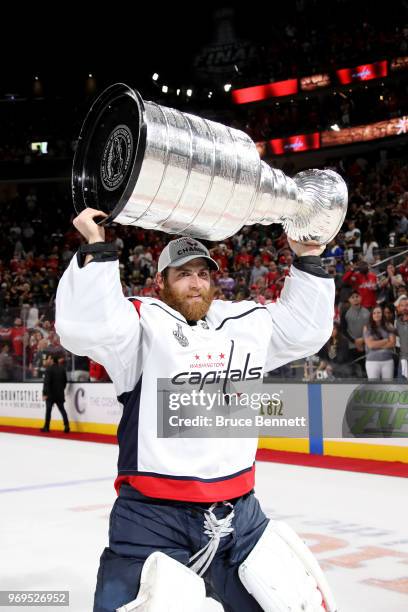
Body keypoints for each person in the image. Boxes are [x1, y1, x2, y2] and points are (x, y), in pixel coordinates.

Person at [55, 208, 335, 612]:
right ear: (161, 282)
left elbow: (304, 329)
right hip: (152, 519)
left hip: (241, 515)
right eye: (183, 273)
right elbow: (86, 326)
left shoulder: (241, 323)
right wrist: (97, 249)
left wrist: (307, 259)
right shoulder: (140, 327)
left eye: (203, 274)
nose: (196, 283)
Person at [363, 306, 396, 380]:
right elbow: (370, 345)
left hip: (387, 360)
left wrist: (376, 344)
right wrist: (385, 341)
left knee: (388, 387)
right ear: (371, 315)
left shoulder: (389, 325)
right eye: (374, 313)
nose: (376, 315)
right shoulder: (367, 327)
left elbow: (393, 343)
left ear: (382, 314)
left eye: (378, 312)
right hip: (372, 361)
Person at [40, 354, 70, 433]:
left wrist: (44, 393)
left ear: (52, 360)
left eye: (49, 359)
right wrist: (61, 389)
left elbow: (47, 382)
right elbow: (65, 382)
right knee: (62, 410)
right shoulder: (62, 369)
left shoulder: (49, 369)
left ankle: (46, 427)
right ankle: (67, 426)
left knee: (48, 411)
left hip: (50, 394)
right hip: (60, 393)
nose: (48, 360)